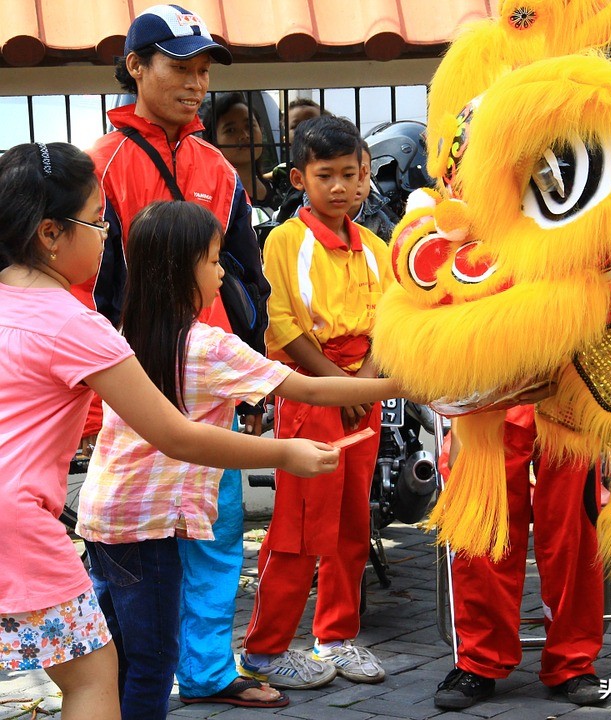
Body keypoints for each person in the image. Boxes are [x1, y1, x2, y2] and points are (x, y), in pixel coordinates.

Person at [0, 142, 338, 720]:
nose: (106, 235)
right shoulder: (78, 325)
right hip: (21, 524)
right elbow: (175, 436)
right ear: (51, 234)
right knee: (94, 678)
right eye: (97, 221)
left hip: (66, 519)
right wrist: (284, 452)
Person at [75, 200, 403, 719]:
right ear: (183, 272)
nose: (223, 271)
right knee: (153, 664)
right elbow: (311, 390)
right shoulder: (208, 346)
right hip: (152, 529)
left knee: (115, 656)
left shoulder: (126, 335)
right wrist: (415, 382)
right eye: (212, 260)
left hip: (104, 520)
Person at [69, 3, 276, 709]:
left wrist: (254, 381)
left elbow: (248, 275)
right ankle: (123, 684)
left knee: (216, 536)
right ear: (135, 67)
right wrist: (97, 399)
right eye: (179, 67)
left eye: (202, 70)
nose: (195, 83)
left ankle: (210, 672)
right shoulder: (100, 164)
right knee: (133, 555)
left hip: (209, 382)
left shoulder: (217, 165)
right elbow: (85, 293)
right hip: (133, 394)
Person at [240, 115, 393, 689]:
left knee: (355, 521)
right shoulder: (285, 239)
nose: (338, 187)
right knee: (301, 527)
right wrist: (340, 383)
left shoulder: (377, 247)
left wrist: (368, 381)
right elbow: (280, 323)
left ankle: (338, 635)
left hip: (365, 391)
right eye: (324, 175)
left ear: (365, 177)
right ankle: (265, 647)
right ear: (300, 179)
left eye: (349, 174)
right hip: (311, 390)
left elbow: (393, 322)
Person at [433, 405, 605, 710]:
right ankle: (479, 660)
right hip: (492, 393)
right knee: (484, 528)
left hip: (569, 395)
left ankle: (573, 660)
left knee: (572, 534)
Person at [200, 92, 281, 238]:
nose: (244, 135)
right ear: (213, 141)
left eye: (249, 126)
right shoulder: (210, 198)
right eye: (230, 130)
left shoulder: (281, 190)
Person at [349, 141, 398, 242]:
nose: (358, 182)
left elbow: (397, 244)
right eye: (348, 175)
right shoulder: (310, 221)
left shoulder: (377, 217)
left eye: (363, 173)